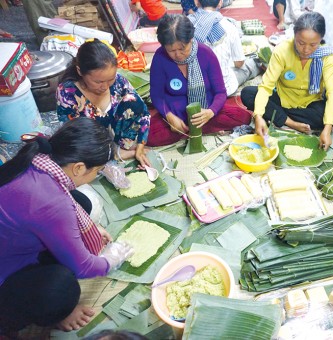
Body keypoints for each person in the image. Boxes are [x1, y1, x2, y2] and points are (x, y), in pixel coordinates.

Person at [0, 118, 134, 333]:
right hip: (5, 278)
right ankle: (53, 314)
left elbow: (60, 211)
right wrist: (111, 259)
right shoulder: (51, 203)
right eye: (97, 171)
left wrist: (87, 227)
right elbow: (84, 267)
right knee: (61, 288)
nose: (94, 176)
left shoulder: (38, 158)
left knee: (82, 202)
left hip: (10, 245)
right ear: (79, 167)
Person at [241, 11, 333, 151]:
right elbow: (266, 86)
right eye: (301, 43)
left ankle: (278, 117)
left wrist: (328, 128)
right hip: (283, 100)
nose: (306, 50)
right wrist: (257, 116)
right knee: (248, 93)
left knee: (331, 113)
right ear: (294, 35)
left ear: (321, 39)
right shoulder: (282, 50)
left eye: (313, 45)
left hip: (309, 104)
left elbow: (332, 92)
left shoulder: (326, 57)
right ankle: (291, 123)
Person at [148, 14, 252, 146]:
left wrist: (210, 112)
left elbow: (220, 92)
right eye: (171, 50)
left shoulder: (206, 54)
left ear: (191, 39)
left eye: (182, 48)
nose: (178, 55)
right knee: (149, 135)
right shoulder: (160, 57)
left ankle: (191, 129)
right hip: (176, 114)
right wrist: (169, 116)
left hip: (205, 112)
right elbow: (157, 95)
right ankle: (189, 129)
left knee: (244, 117)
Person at [56, 39, 151, 168]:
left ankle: (122, 148)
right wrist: (110, 153)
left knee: (133, 102)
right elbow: (73, 134)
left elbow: (143, 113)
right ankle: (113, 155)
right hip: (91, 145)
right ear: (80, 71)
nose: (105, 86)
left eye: (110, 79)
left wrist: (140, 146)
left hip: (118, 136)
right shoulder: (67, 92)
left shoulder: (119, 82)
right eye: (98, 82)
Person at [188, 0, 260, 96]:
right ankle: (258, 65)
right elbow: (239, 63)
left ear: (196, 2)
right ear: (220, 3)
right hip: (224, 87)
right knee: (247, 66)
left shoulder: (186, 24)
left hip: (192, 87)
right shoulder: (229, 25)